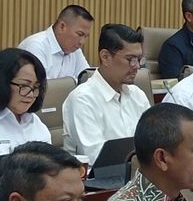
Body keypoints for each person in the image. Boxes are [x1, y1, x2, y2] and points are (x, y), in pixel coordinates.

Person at [62, 25, 151, 163]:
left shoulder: (137, 95)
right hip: (98, 175)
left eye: (139, 59)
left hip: (136, 171)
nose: (137, 66)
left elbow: (152, 142)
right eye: (131, 59)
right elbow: (96, 158)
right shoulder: (82, 99)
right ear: (105, 57)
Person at [0, 49, 50, 154]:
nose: (31, 95)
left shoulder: (35, 122)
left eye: (36, 87)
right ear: (2, 83)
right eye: (24, 86)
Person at [17, 5, 93, 81]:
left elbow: (89, 80)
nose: (82, 42)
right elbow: (41, 85)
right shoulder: (36, 46)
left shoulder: (75, 51)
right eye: (80, 34)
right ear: (62, 27)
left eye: (86, 36)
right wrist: (74, 82)